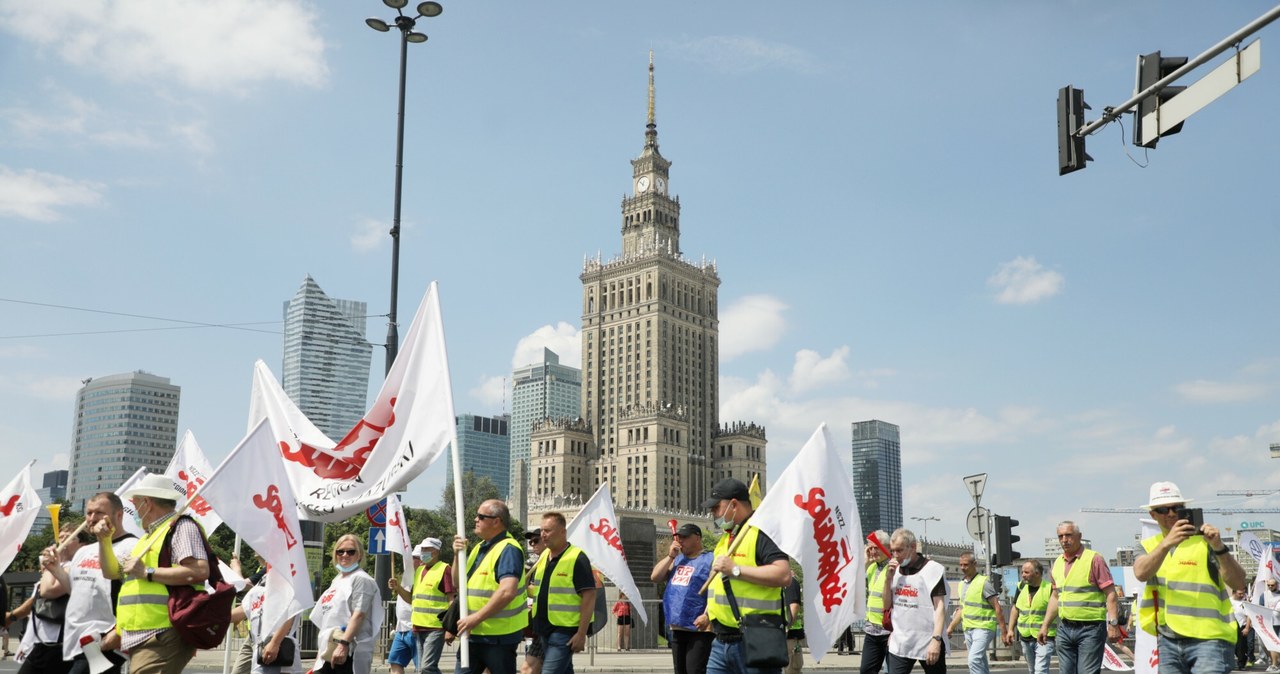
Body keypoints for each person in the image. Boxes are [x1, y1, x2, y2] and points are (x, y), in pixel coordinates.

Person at [100, 473, 211, 674]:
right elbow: (111, 573)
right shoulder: (148, 538)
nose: (134, 510)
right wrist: (104, 540)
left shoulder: (181, 527)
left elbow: (199, 571)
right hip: (145, 635)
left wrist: (147, 571)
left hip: (163, 632)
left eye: (135, 504)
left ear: (147, 503)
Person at [1134, 481, 1243, 674]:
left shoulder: (1206, 541)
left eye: (1177, 507)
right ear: (1152, 514)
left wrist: (1219, 547)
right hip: (1168, 639)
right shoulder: (1149, 546)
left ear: (1185, 509)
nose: (1171, 513)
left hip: (1209, 638)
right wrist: (1166, 543)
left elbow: (1238, 582)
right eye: (1163, 509)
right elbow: (1141, 573)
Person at [695, 478, 792, 674]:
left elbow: (783, 574)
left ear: (734, 504)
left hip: (754, 639)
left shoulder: (762, 533)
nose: (713, 513)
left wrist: (736, 569)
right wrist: (708, 614)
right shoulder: (726, 538)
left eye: (716, 508)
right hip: (721, 641)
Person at [51, 492, 137, 674]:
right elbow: (75, 590)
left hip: (104, 641)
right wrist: (56, 570)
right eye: (89, 513)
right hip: (76, 641)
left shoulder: (132, 546)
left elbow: (135, 595)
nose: (92, 518)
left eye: (98, 513)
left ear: (119, 515)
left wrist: (119, 632)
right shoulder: (84, 551)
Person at [452, 498, 528, 674]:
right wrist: (456, 556)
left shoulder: (509, 548)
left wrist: (475, 618)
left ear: (496, 521)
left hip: (499, 638)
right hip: (473, 634)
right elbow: (457, 584)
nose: (475, 520)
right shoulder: (479, 548)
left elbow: (507, 592)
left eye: (481, 516)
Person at [1038, 520, 1120, 674]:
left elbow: (1110, 593)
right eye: (1060, 536)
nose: (1064, 540)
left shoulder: (1094, 559)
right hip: (1064, 628)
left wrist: (1113, 623)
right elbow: (1055, 597)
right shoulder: (1057, 563)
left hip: (1091, 628)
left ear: (1079, 536)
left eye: (1068, 535)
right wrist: (1045, 625)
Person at [528, 511, 597, 674]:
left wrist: (581, 633)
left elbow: (589, 595)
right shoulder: (544, 556)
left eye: (548, 530)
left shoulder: (577, 558)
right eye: (542, 530)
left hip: (565, 631)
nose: (543, 535)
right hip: (543, 629)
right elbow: (540, 591)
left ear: (562, 532)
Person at [309, 533, 385, 674]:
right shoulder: (337, 580)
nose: (345, 555)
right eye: (340, 551)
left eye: (351, 551)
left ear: (359, 555)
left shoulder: (362, 579)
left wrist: (344, 644)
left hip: (349, 652)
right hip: (330, 649)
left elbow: (359, 614)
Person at [18, 521, 86, 674]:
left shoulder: (75, 566)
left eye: (69, 537)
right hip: (43, 641)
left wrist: (51, 565)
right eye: (61, 537)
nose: (63, 541)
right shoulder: (61, 565)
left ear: (82, 545)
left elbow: (48, 590)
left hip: (59, 642)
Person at [650, 522, 714, 674]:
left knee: (694, 670)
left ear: (697, 538)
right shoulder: (678, 560)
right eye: (679, 537)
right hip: (678, 626)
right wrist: (670, 556)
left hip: (699, 629)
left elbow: (716, 590)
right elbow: (655, 577)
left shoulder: (710, 559)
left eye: (685, 537)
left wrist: (707, 615)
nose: (680, 541)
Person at [883, 528, 949, 674]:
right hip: (901, 642)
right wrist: (888, 580)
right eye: (892, 551)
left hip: (927, 640)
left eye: (899, 550)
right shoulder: (894, 571)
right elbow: (886, 604)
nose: (895, 555)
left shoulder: (932, 570)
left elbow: (939, 607)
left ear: (912, 547)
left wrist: (936, 640)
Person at [391, 537, 455, 674]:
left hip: (436, 628)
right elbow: (411, 599)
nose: (423, 552)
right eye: (423, 549)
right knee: (422, 669)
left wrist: (450, 628)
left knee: (427, 667)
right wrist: (398, 588)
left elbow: (451, 600)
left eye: (427, 549)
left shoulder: (445, 569)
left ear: (436, 551)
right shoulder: (419, 571)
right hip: (418, 627)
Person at [230, 552, 300, 674]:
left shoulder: (287, 580)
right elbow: (244, 609)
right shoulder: (264, 578)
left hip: (276, 645)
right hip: (258, 641)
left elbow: (291, 612)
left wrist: (275, 643)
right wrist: (213, 617)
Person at [946, 552, 1006, 674]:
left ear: (975, 564)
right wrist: (950, 628)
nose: (962, 568)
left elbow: (997, 607)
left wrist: (1004, 631)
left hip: (984, 628)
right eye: (961, 565)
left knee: (973, 660)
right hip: (968, 628)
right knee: (981, 661)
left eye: (966, 565)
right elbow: (962, 609)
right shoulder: (962, 584)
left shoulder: (983, 583)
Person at [1004, 560, 1053, 674]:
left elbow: (1055, 611)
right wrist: (1010, 629)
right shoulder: (1021, 587)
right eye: (1022, 572)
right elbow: (1016, 608)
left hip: (1045, 637)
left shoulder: (1049, 588)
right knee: (1032, 670)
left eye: (1026, 572)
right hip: (1025, 637)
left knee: (1040, 670)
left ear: (1037, 573)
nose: (1023, 575)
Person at [387, 549, 425, 674]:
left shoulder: (423, 577)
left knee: (422, 668)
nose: (408, 560)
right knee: (395, 662)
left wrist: (398, 588)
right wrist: (396, 586)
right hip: (401, 629)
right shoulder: (407, 576)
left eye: (413, 557)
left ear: (421, 561)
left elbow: (411, 599)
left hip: (416, 629)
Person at [861, 530, 892, 669]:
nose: (872, 551)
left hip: (889, 631)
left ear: (886, 547)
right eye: (870, 548)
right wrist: (865, 561)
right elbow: (855, 583)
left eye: (875, 547)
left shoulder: (894, 567)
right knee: (866, 670)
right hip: (872, 629)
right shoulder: (872, 567)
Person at [523, 527, 548, 674]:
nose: (532, 544)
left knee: (530, 669)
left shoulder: (551, 562)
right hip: (537, 624)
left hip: (552, 626)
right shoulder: (534, 564)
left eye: (535, 541)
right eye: (530, 542)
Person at [1257, 578, 1280, 671]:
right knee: (1267, 644)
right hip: (1268, 623)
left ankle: (1275, 664)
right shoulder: (1264, 595)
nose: (1270, 587)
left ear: (1276, 585)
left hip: (1278, 623)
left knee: (1276, 644)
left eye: (1272, 585)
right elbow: (1260, 608)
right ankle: (1274, 662)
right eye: (1269, 585)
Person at [784, 574, 804, 674]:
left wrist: (787, 627)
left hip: (790, 635)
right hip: (784, 635)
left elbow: (794, 606)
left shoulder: (789, 581)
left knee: (791, 670)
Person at [1231, 588, 1252, 670]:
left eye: (1243, 593)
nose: (1242, 595)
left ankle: (1241, 664)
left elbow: (1249, 616)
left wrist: (1247, 628)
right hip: (1231, 626)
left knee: (1242, 647)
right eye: (1239, 593)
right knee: (1234, 647)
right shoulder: (1228, 601)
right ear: (1234, 593)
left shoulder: (1245, 602)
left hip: (1242, 627)